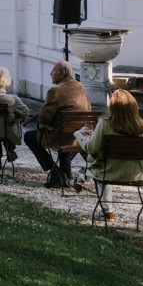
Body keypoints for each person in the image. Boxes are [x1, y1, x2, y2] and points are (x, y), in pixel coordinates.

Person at [75, 89, 143, 220]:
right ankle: (82, 176)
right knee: (99, 161)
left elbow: (91, 148)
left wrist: (77, 134)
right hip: (137, 174)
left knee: (97, 163)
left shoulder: (105, 123)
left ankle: (108, 210)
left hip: (109, 172)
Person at [24, 60, 92, 189]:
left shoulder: (56, 90)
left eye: (53, 71)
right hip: (79, 137)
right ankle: (65, 177)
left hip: (60, 136)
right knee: (65, 134)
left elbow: (44, 118)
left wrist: (41, 124)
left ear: (61, 73)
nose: (51, 74)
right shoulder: (81, 87)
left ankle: (56, 172)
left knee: (29, 136)